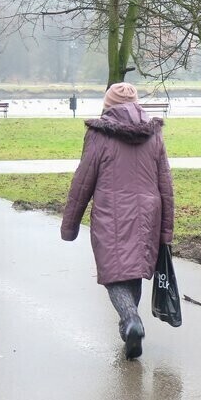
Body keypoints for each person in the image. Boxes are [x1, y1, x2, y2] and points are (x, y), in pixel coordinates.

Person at [60, 82, 174, 360]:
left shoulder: (99, 135)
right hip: (149, 214)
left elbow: (83, 179)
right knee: (132, 270)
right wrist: (167, 230)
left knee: (114, 274)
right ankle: (129, 328)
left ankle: (130, 319)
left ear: (107, 105)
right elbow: (165, 183)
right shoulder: (154, 134)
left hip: (111, 213)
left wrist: (69, 225)